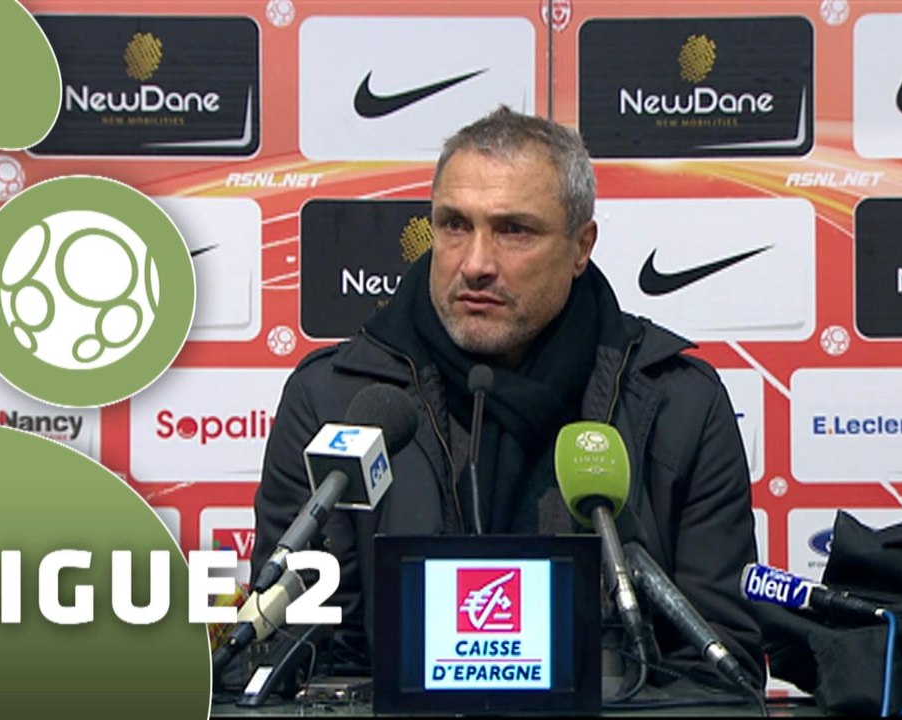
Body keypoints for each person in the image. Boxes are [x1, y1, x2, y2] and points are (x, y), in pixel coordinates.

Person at [253, 106, 765, 687]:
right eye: (454, 225)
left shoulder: (676, 402)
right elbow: (301, 659)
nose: (475, 264)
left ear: (581, 246)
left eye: (514, 230)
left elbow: (723, 666)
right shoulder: (333, 397)